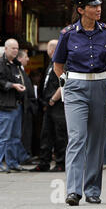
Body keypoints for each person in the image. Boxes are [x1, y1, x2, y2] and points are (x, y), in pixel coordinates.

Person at [52, 0, 106, 206]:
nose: (98, 9)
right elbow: (58, 64)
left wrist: (105, 79)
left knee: (97, 141)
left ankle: (92, 190)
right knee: (77, 138)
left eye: (99, 5)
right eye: (93, 6)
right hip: (75, 87)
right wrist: (65, 84)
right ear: (81, 9)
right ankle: (73, 191)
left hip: (100, 86)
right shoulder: (67, 34)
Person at [31, 40, 67, 172]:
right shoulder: (51, 65)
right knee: (46, 134)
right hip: (49, 106)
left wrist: (53, 99)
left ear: (51, 50)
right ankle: (44, 162)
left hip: (58, 105)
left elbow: (63, 83)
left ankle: (61, 163)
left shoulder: (62, 64)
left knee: (60, 135)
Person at [0, 39, 27, 173]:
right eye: (13, 48)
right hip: (6, 106)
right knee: (4, 137)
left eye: (17, 48)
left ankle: (12, 162)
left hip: (17, 105)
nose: (16, 51)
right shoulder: (1, 63)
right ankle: (0, 163)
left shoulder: (16, 65)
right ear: (6, 49)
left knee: (15, 137)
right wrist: (12, 85)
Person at [16, 50, 36, 164]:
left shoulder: (21, 71)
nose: (28, 59)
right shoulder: (17, 71)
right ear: (19, 59)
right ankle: (21, 156)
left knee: (24, 133)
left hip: (27, 107)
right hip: (22, 107)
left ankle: (24, 155)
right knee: (20, 133)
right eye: (26, 57)